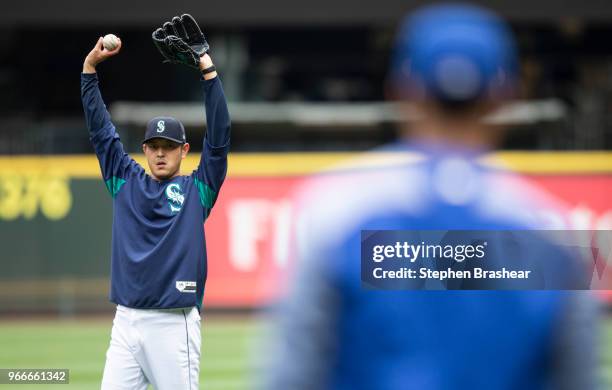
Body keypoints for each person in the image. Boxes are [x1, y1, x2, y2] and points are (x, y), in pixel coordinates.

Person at [265, 4, 596, 390]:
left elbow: (291, 377)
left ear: (402, 89)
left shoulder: (334, 210)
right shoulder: (550, 229)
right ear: (505, 95)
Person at [80, 17, 230, 390]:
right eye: (154, 147)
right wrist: (88, 70)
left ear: (183, 150)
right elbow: (102, 133)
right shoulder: (125, 180)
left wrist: (206, 67)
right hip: (126, 321)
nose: (161, 154)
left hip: (173, 323)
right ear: (145, 149)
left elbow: (220, 137)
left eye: (169, 148)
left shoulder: (198, 190)